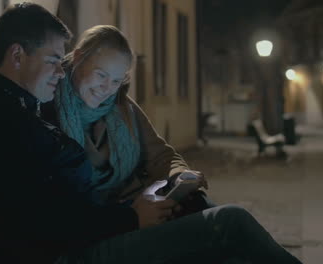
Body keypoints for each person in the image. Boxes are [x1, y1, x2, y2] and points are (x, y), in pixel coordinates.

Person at [0, 3, 301, 264]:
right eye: (53, 61)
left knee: (203, 211)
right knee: (229, 223)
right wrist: (132, 216)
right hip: (75, 252)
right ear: (17, 55)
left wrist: (159, 196)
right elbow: (47, 223)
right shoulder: (2, 118)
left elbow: (55, 210)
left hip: (90, 238)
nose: (59, 73)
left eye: (117, 80)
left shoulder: (17, 113)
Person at [42, 25, 211, 216]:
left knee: (202, 206)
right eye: (101, 75)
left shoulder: (121, 105)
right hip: (106, 220)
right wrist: (132, 215)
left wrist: (179, 175)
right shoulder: (48, 103)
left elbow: (160, 155)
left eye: (116, 81)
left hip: (141, 202)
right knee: (225, 221)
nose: (107, 88)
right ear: (79, 57)